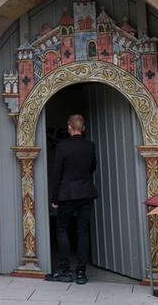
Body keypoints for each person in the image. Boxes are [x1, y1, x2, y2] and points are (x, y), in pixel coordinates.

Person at [45, 114, 97, 285]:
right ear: (83, 128)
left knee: (62, 229)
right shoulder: (90, 146)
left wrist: (54, 197)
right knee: (83, 231)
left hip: (67, 194)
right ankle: (81, 273)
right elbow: (92, 168)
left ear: (69, 127)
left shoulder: (62, 147)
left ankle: (64, 271)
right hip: (86, 193)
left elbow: (56, 173)